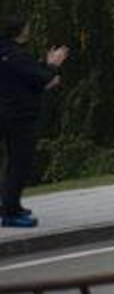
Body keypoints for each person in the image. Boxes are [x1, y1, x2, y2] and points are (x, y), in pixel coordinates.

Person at [0, 16, 69, 228]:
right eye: (27, 28)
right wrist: (54, 65)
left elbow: (28, 75)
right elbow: (43, 79)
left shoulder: (6, 52)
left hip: (8, 112)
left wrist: (44, 66)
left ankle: (13, 205)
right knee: (20, 163)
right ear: (21, 31)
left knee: (14, 161)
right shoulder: (17, 55)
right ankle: (10, 212)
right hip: (20, 116)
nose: (29, 31)